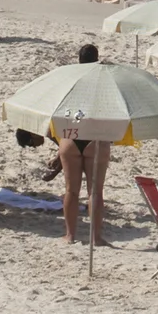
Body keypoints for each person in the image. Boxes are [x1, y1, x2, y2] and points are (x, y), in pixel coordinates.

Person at [58, 42, 111, 246]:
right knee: (95, 191)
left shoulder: (71, 80)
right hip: (95, 137)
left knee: (71, 190)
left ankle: (70, 235)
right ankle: (96, 237)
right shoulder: (102, 83)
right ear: (97, 60)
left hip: (71, 136)